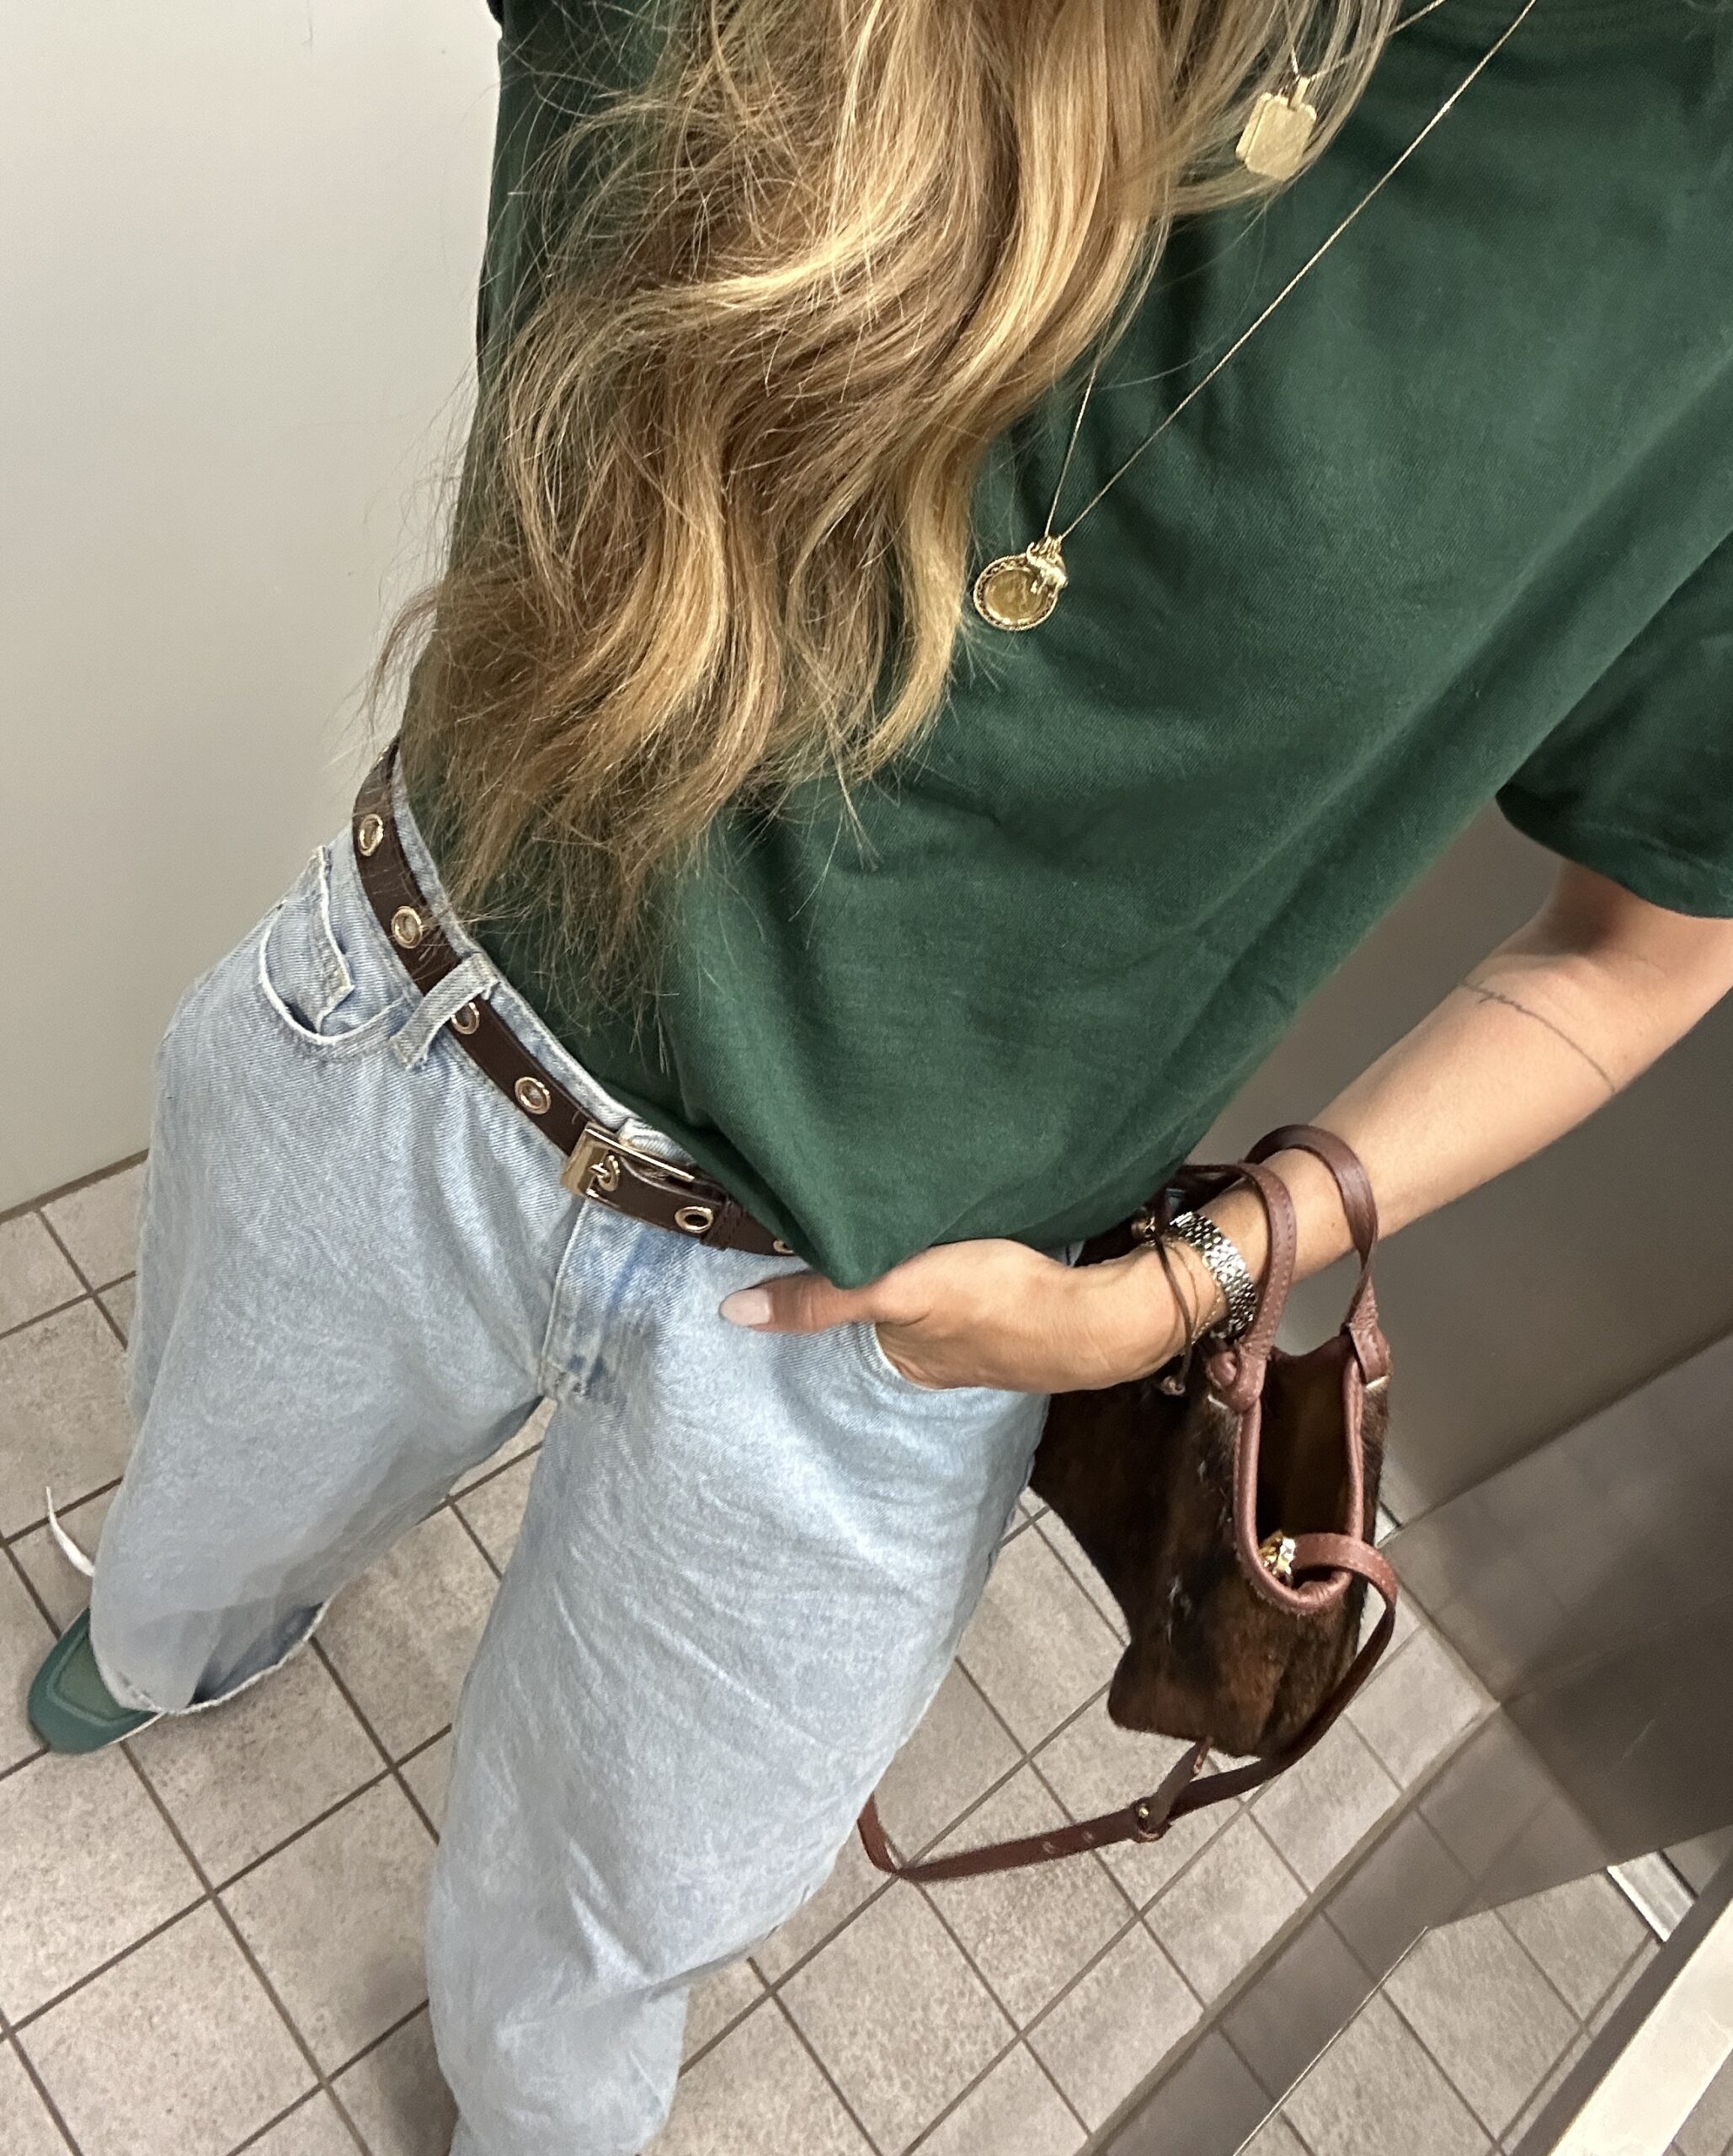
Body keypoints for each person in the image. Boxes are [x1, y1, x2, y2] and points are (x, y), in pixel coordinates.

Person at [29, 1, 1733, 2150]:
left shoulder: (1693, 252)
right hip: (409, 1024)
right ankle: (178, 1637)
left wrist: (1183, 1283)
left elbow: (1653, 937)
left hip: (881, 1342)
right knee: (210, 1486)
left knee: (614, 1905)